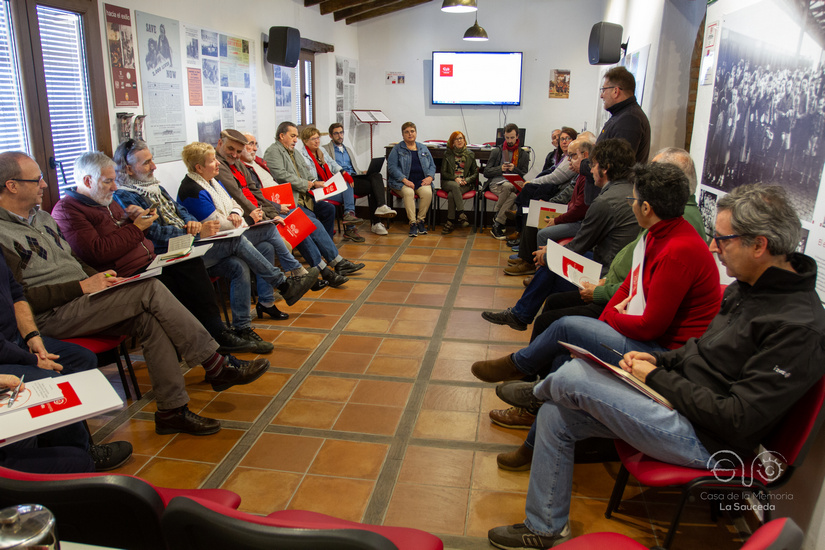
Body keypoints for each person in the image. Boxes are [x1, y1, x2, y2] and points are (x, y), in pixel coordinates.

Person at [486, 184, 825, 549]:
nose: (714, 247)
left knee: (572, 376)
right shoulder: (750, 286)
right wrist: (658, 360)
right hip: (677, 406)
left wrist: (658, 377)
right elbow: (700, 349)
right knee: (557, 413)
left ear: (759, 245)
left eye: (723, 240)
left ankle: (533, 393)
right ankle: (546, 526)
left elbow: (737, 419)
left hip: (709, 440)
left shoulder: (797, 327)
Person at [0, 151, 271, 437]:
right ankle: (215, 363)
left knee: (150, 319)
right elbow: (18, 298)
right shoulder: (8, 233)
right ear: (12, 185)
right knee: (151, 289)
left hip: (85, 297)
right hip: (50, 316)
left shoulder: (41, 218)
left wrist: (94, 276)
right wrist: (81, 286)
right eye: (37, 179)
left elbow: (71, 261)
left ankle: (172, 410)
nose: (44, 184)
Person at [51, 152, 266, 353]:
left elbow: (169, 216)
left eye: (114, 180)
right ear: (88, 181)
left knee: (199, 264)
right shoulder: (69, 210)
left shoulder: (107, 200)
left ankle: (220, 335)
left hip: (151, 260)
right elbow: (98, 252)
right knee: (199, 265)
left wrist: (133, 221)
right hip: (125, 274)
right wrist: (136, 227)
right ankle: (216, 342)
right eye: (108, 181)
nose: (114, 187)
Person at [112, 140, 319, 327]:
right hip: (174, 253)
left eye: (152, 160)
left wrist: (194, 223)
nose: (154, 166)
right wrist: (191, 229)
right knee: (250, 236)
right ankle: (285, 282)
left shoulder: (160, 186)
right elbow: (155, 232)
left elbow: (184, 211)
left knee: (248, 257)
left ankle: (244, 325)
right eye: (147, 163)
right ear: (129, 169)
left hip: (194, 242)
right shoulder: (130, 195)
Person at [482, 139, 639, 331]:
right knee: (551, 275)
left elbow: (581, 243)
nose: (590, 170)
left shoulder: (605, 201)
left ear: (605, 168)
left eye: (594, 165)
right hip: (615, 265)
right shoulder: (629, 190)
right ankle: (521, 315)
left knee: (551, 267)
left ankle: (520, 315)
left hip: (606, 271)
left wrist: (548, 255)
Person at [0, 253, 132, 473]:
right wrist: (33, 360)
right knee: (50, 382)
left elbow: (16, 293)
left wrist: (33, 336)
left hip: (14, 340)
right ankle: (76, 457)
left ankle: (69, 447)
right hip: (4, 355)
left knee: (81, 359)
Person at [238, 128, 365, 286]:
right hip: (282, 203)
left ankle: (332, 262)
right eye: (250, 144)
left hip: (292, 199)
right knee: (306, 222)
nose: (256, 148)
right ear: (281, 135)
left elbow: (304, 171)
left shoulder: (257, 161)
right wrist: (304, 188)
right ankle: (326, 267)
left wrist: (312, 182)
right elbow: (278, 180)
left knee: (325, 210)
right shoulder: (266, 156)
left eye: (256, 144)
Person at [506, 136, 591, 277]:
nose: (569, 160)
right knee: (533, 211)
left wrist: (556, 217)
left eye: (572, 156)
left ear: (586, 155)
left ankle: (537, 271)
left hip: (575, 218)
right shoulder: (578, 173)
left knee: (541, 229)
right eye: (568, 157)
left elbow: (578, 208)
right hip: (566, 208)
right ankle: (526, 258)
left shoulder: (587, 177)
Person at [263, 122, 338, 239]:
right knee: (311, 217)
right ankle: (323, 247)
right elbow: (281, 175)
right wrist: (306, 183)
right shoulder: (273, 151)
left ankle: (327, 242)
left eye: (296, 137)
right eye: (292, 136)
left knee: (329, 209)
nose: (296, 140)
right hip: (292, 199)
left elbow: (305, 172)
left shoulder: (294, 152)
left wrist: (315, 182)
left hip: (305, 196)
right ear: (282, 136)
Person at [507, 126, 578, 244]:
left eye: (568, 138)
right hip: (553, 188)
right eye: (561, 139)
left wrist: (533, 181)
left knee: (530, 197)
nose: (564, 141)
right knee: (527, 194)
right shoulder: (559, 156)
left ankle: (519, 223)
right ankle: (520, 227)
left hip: (558, 194)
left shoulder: (570, 159)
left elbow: (555, 178)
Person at [323, 123, 396, 236]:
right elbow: (329, 169)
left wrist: (362, 172)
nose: (340, 136)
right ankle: (376, 223)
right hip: (342, 181)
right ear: (330, 136)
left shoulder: (347, 150)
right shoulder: (326, 150)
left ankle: (381, 207)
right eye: (336, 133)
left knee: (376, 175)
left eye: (341, 133)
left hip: (354, 178)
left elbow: (354, 168)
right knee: (373, 187)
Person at [298, 126, 365, 242]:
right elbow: (305, 177)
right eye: (313, 139)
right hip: (315, 190)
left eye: (318, 138)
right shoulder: (302, 156)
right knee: (347, 193)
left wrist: (344, 172)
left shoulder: (321, 151)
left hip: (327, 185)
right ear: (305, 141)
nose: (317, 141)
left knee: (347, 183)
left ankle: (349, 214)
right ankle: (350, 227)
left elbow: (333, 164)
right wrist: (315, 183)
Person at [386, 121, 436, 238]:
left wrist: (430, 177)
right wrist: (404, 180)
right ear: (403, 135)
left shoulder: (422, 148)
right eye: (406, 132)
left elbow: (432, 165)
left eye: (412, 131)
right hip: (402, 182)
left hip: (421, 181)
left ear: (416, 133)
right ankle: (413, 223)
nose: (410, 134)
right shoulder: (397, 149)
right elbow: (392, 167)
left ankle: (420, 221)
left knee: (428, 192)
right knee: (409, 193)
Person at [485, 123, 530, 239]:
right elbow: (487, 172)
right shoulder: (497, 151)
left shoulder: (523, 154)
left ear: (517, 137)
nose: (509, 140)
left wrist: (513, 169)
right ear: (504, 136)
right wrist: (500, 169)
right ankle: (498, 223)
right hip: (496, 183)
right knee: (512, 196)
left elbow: (524, 173)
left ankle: (497, 214)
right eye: (507, 137)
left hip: (513, 183)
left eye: (512, 137)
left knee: (508, 186)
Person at [440, 131, 478, 234]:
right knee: (454, 186)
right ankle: (461, 214)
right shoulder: (447, 154)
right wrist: (454, 178)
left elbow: (475, 172)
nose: (459, 140)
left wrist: (467, 180)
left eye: (461, 138)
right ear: (452, 143)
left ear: (464, 140)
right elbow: (443, 172)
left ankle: (450, 221)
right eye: (456, 139)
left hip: (464, 183)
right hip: (449, 182)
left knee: (452, 195)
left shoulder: (470, 154)